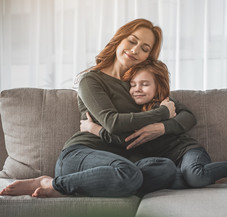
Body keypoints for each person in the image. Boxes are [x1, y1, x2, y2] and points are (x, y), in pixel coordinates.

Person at [0, 19, 195, 198]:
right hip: (82, 154)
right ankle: (51, 183)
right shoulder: (92, 80)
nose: (135, 50)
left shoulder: (140, 84)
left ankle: (93, 186)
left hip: (120, 162)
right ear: (119, 39)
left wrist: (162, 127)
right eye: (132, 41)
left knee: (166, 168)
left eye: (144, 48)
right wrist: (162, 114)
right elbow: (113, 123)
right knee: (129, 174)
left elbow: (187, 115)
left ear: (148, 56)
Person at [80, 59, 227, 189]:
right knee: (172, 179)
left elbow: (189, 117)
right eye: (132, 85)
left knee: (195, 176)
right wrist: (93, 127)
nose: (137, 89)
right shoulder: (128, 113)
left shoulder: (163, 103)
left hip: (186, 151)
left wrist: (163, 126)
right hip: (168, 163)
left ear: (157, 87)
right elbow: (123, 136)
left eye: (144, 84)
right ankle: (218, 178)